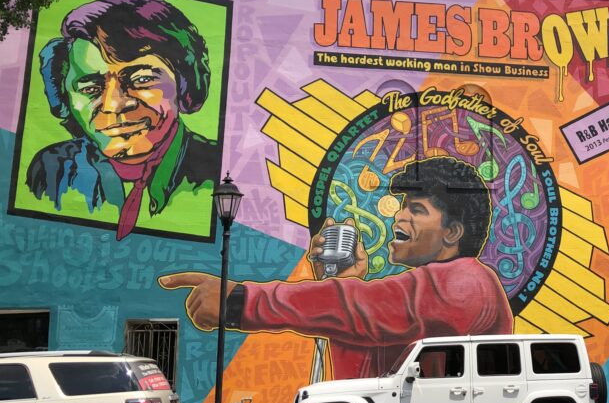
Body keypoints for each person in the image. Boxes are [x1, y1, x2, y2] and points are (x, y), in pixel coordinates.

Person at [160, 157, 513, 378]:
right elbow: (362, 340)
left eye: (417, 210)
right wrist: (342, 283)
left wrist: (239, 300)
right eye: (403, 206)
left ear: (452, 232)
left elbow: (359, 308)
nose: (399, 215)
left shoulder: (467, 281)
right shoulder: (434, 290)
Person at [26, 0, 220, 239]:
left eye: (142, 79)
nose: (113, 106)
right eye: (90, 89)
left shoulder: (216, 174)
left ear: (185, 84)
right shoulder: (52, 167)